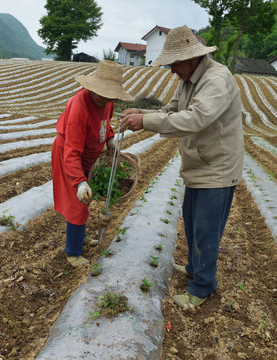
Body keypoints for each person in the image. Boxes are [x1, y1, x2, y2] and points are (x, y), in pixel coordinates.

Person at [120, 25, 244, 310]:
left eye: (174, 64)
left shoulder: (217, 79)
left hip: (218, 167)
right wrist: (145, 113)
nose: (172, 71)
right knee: (191, 221)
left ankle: (202, 286)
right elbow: (173, 110)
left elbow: (196, 119)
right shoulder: (188, 79)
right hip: (199, 164)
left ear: (191, 58)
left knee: (206, 230)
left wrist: (147, 123)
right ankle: (193, 267)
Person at [52, 60, 134, 268]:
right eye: (105, 93)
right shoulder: (78, 106)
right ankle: (73, 252)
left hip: (88, 156)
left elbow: (105, 123)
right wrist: (80, 181)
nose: (109, 98)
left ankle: (78, 237)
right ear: (93, 88)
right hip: (69, 155)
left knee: (86, 201)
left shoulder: (106, 102)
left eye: (112, 95)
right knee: (77, 201)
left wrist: (109, 140)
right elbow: (71, 152)